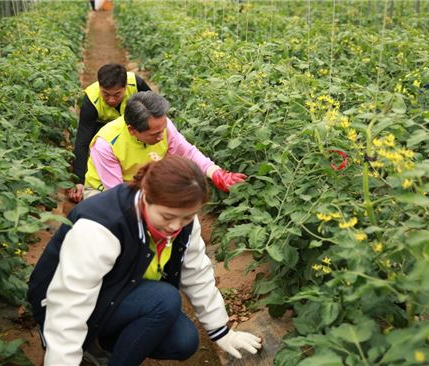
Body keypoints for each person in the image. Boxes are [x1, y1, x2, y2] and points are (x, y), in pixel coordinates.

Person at [27, 156, 262, 365]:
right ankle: (88, 341)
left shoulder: (184, 223)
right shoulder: (101, 226)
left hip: (118, 291)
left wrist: (221, 331)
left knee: (184, 341)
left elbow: (197, 272)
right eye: (167, 217)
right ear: (146, 196)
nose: (175, 227)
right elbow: (69, 301)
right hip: (60, 301)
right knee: (164, 299)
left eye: (187, 217)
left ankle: (104, 343)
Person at [82, 90, 246, 199]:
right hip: (104, 192)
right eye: (155, 134)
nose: (162, 136)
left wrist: (216, 173)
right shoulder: (107, 144)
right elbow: (117, 194)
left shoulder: (162, 126)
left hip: (145, 185)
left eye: (163, 129)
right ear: (133, 130)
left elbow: (187, 152)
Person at [69, 64, 152, 202]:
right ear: (100, 86)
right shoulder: (90, 99)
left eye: (117, 94)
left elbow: (154, 111)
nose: (111, 100)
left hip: (131, 125)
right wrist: (79, 180)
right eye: (106, 94)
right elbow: (83, 140)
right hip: (101, 128)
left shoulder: (137, 84)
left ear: (125, 87)